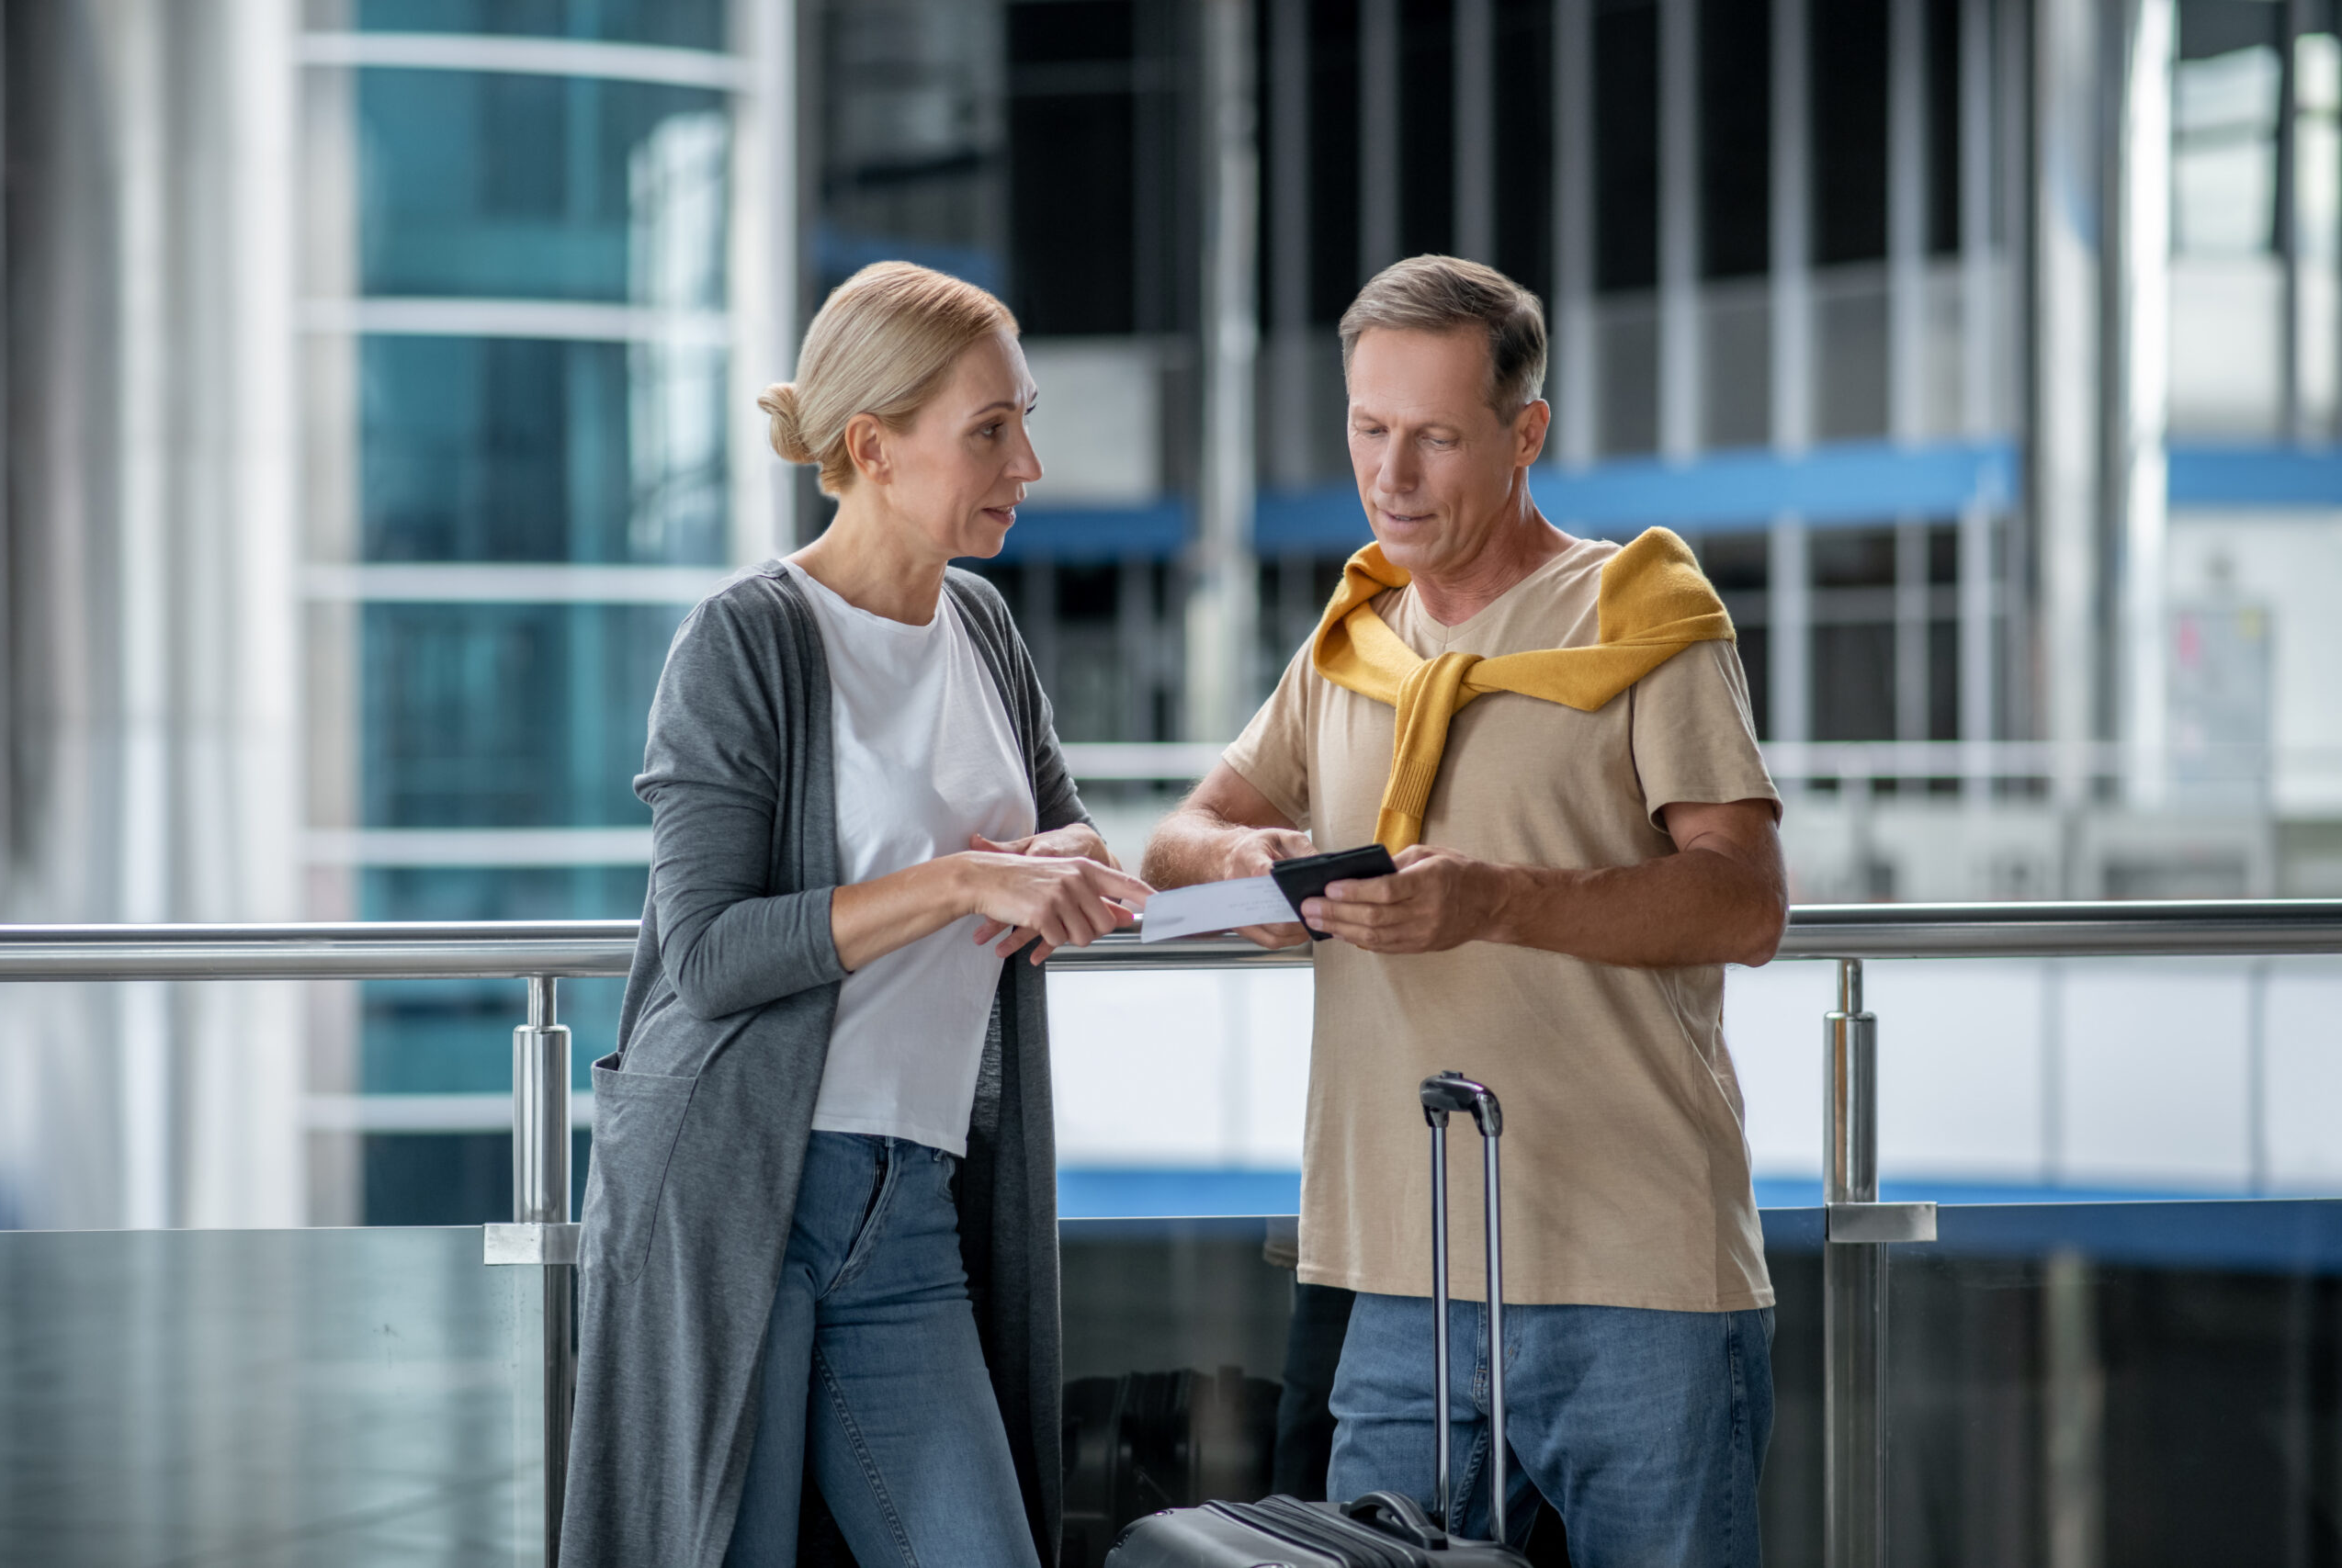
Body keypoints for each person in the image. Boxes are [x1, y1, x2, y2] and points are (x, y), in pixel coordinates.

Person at [1144, 254, 1788, 1565]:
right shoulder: (1352, 638)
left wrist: (1494, 897)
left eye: (1436, 437)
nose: (1393, 475)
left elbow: (1744, 902)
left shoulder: (1643, 614)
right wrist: (1246, 872)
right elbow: (1174, 838)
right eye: (1370, 431)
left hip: (1641, 1275)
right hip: (1403, 1281)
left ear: (1526, 433)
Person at [563, 261, 1150, 1568]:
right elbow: (708, 959)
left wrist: (1070, 869)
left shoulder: (984, 627)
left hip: (915, 1204)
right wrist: (960, 881)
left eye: (1024, 420)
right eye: (990, 430)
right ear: (873, 448)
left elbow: (1065, 826)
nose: (1028, 463)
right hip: (740, 1200)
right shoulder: (743, 643)